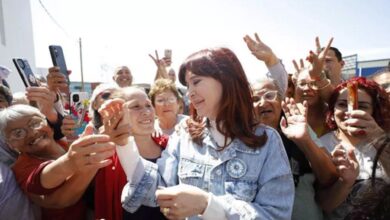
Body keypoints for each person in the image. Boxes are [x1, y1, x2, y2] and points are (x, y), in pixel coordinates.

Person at [118, 47, 294, 219]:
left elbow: (276, 214)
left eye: (196, 81)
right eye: (187, 85)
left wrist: (208, 205)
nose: (190, 93)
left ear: (225, 80)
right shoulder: (184, 135)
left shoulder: (267, 141)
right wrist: (124, 143)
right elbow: (157, 189)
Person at [0, 104, 116, 220]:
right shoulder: (21, 167)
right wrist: (70, 161)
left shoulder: (66, 142)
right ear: (10, 145)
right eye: (18, 133)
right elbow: (50, 191)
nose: (32, 133)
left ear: (48, 124)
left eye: (35, 123)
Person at [251, 77, 338, 219]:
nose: (262, 102)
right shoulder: (242, 137)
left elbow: (329, 177)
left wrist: (305, 140)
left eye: (269, 95)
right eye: (255, 99)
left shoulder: (298, 125)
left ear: (281, 100)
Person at [317, 77, 390, 219]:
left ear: (374, 111)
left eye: (362, 106)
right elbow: (324, 205)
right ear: (332, 111)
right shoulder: (322, 144)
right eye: (342, 104)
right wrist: (345, 183)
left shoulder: (384, 138)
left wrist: (378, 139)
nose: (351, 112)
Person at [94, 87, 168, 220]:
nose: (146, 112)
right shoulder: (106, 155)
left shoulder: (170, 147)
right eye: (136, 106)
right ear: (118, 113)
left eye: (148, 105)